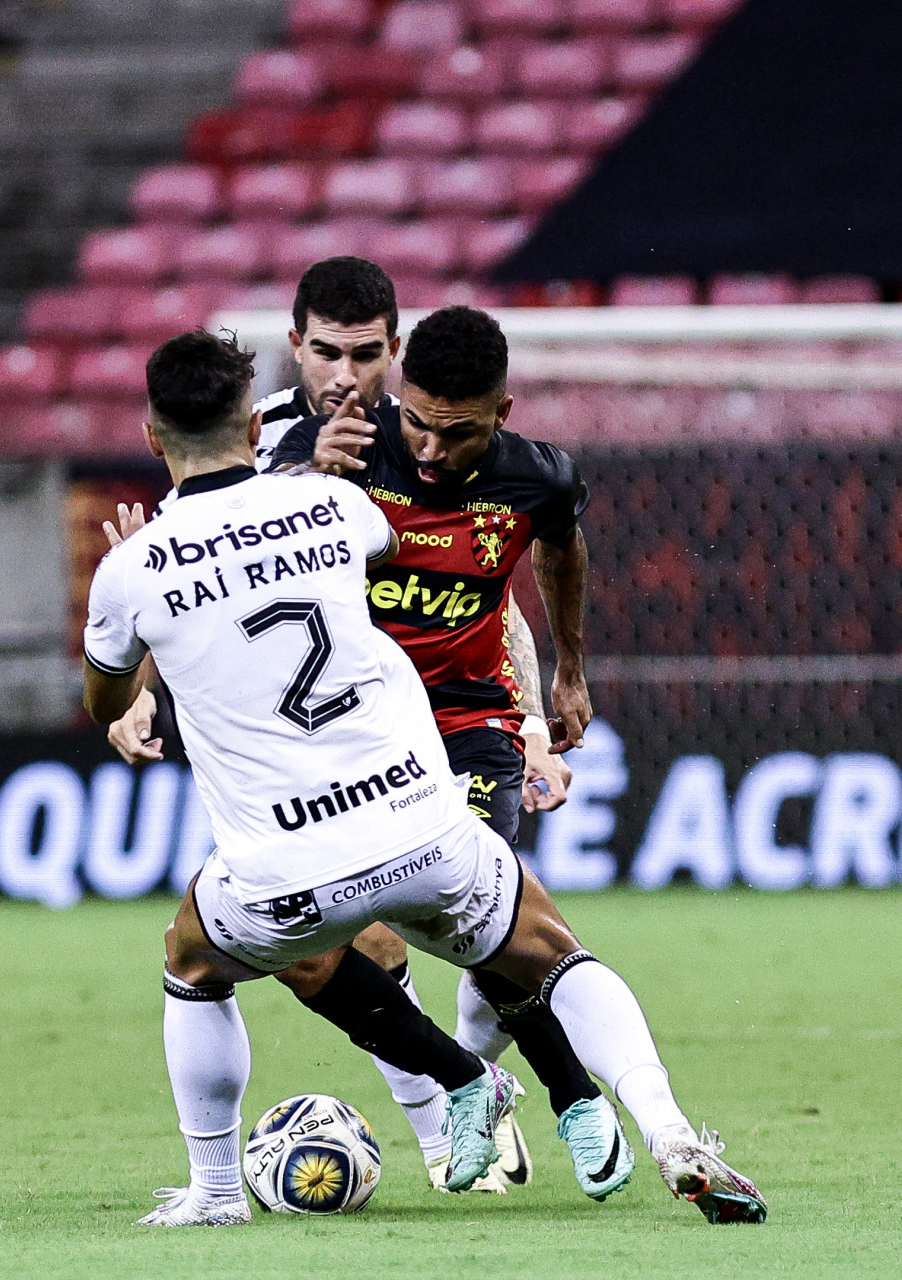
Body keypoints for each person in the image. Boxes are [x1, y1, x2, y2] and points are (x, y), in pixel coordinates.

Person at [84, 330, 766, 1227]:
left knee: (192, 957)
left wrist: (153, 594)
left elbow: (106, 699)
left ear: (148, 437)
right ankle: (668, 1128)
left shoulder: (131, 570)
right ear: (256, 424)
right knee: (551, 950)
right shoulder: (337, 509)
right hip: (418, 819)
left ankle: (215, 1196)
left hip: (287, 866)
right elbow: (392, 572)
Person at [106, 257, 605, 1196]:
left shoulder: (429, 437)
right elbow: (164, 583)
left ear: (396, 349)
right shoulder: (247, 446)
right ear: (295, 348)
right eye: (327, 353)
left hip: (438, 733)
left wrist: (537, 713)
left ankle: (508, 1099)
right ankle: (460, 1116)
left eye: (366, 354)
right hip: (293, 746)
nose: (346, 375)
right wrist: (137, 689)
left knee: (467, 927)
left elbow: (486, 590)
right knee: (343, 946)